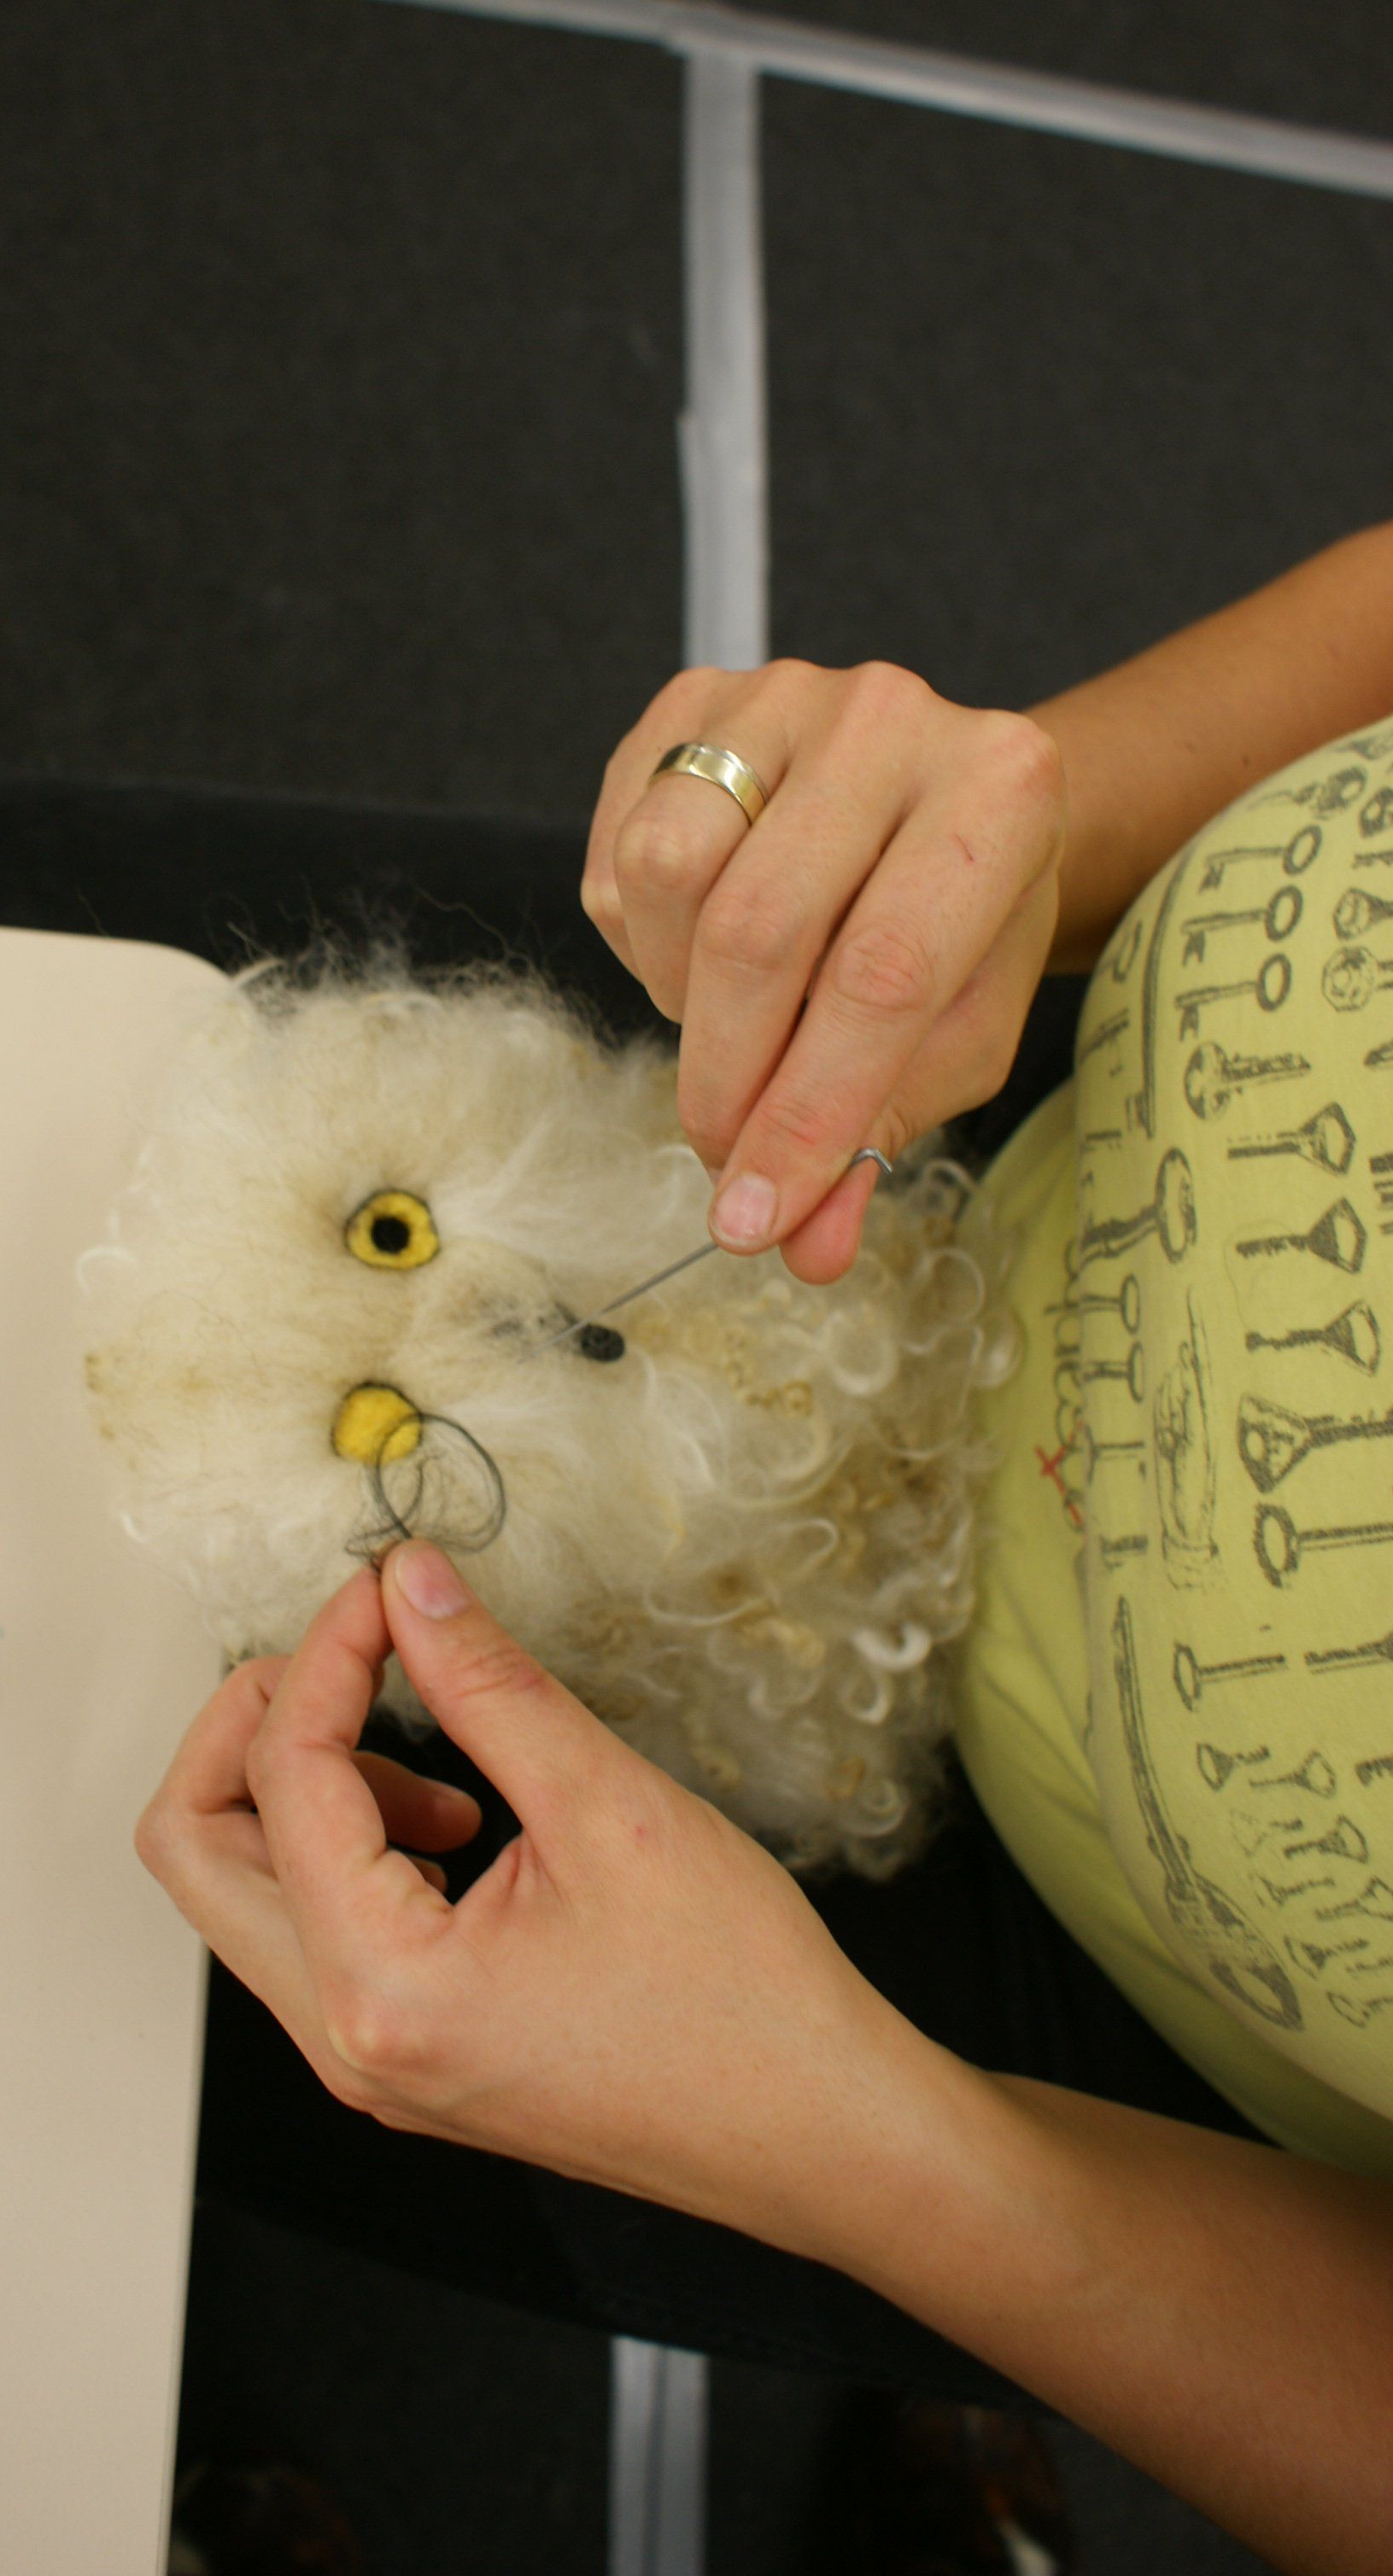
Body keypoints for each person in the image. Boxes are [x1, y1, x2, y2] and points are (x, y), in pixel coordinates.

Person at [134, 521, 1393, 2576]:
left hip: (1098, 2074)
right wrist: (978, 853)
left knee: (72, 1947)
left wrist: (865, 2148)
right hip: (953, 1110)